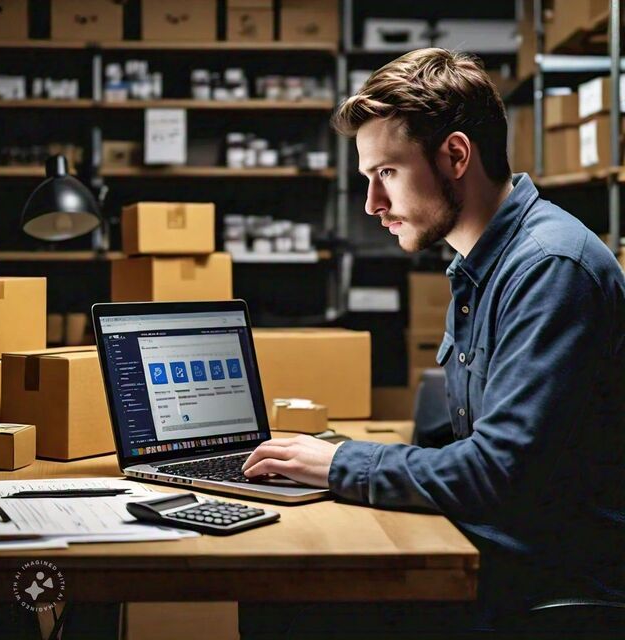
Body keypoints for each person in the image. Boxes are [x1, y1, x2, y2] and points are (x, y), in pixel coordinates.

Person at [241, 48, 625, 635]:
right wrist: (337, 454)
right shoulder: (483, 263)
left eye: (386, 174)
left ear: (454, 155)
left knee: (287, 600)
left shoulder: (549, 268)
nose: (372, 204)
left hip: (553, 579)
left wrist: (343, 461)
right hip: (504, 545)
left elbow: (497, 471)